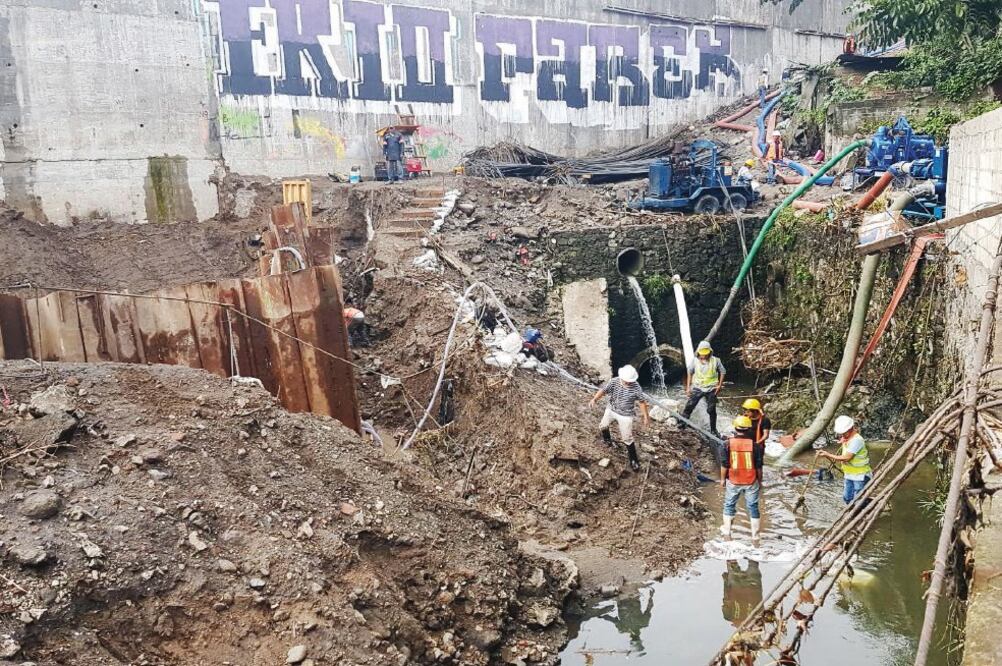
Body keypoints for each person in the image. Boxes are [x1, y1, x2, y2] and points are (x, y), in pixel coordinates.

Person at [589, 365, 649, 472]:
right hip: (612, 409)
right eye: (625, 381)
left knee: (627, 437)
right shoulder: (614, 382)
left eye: (629, 381)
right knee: (603, 426)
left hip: (625, 415)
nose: (627, 383)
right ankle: (607, 440)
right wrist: (594, 399)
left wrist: (646, 417)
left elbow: (642, 402)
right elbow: (603, 390)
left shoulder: (636, 388)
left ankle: (633, 460)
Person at [720, 415, 764, 541]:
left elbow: (724, 464)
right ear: (749, 429)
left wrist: (723, 480)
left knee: (729, 505)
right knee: (753, 506)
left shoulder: (726, 444)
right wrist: (760, 481)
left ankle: (727, 532)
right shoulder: (756, 446)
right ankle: (755, 535)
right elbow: (759, 467)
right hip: (751, 480)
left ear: (735, 428)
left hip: (733, 480)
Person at [816, 415, 872, 504]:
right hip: (849, 474)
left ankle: (862, 511)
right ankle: (854, 509)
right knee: (847, 498)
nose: (841, 435)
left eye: (843, 433)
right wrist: (844, 440)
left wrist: (828, 454)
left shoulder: (857, 440)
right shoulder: (847, 438)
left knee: (859, 499)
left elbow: (847, 458)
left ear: (850, 429)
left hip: (860, 475)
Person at [682, 340, 725, 437]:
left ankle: (713, 430)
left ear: (710, 352)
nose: (704, 356)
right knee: (689, 406)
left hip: (711, 388)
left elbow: (723, 371)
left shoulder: (716, 361)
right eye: (702, 354)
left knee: (711, 409)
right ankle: (682, 423)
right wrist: (688, 387)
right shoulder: (695, 361)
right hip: (698, 387)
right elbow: (689, 372)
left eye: (706, 354)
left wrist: (719, 385)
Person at [721, 559, 763, 627]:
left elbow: (761, 605)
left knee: (753, 562)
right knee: (732, 563)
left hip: (753, 585)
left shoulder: (758, 620)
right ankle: (732, 556)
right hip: (736, 587)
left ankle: (755, 552)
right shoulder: (729, 616)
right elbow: (726, 599)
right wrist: (726, 582)